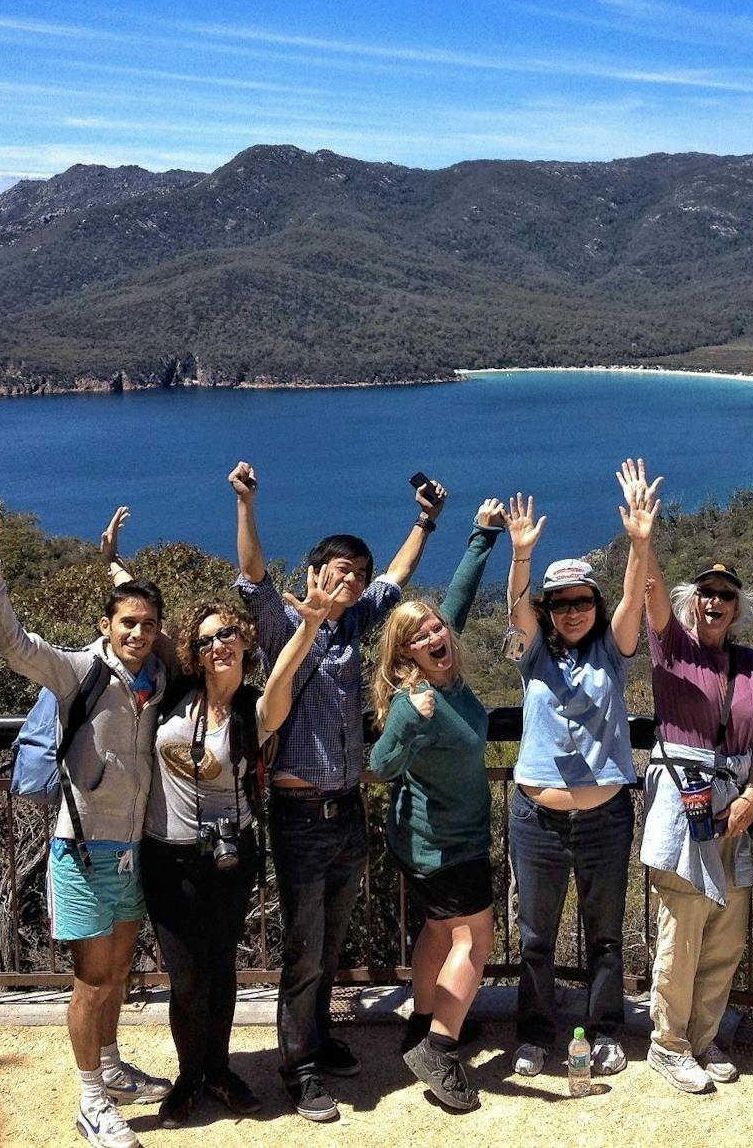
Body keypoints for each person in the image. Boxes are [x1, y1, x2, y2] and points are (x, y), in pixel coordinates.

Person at [0, 507, 172, 1148]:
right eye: (127, 623)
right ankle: (92, 1101)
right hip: (81, 850)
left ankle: (110, 1066)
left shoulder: (154, 681)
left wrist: (116, 564)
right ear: (105, 626)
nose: (138, 632)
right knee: (93, 979)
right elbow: (14, 646)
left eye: (148, 625)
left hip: (131, 850)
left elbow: (159, 622)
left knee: (119, 973)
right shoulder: (79, 671)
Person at [230, 460, 446, 1124]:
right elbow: (253, 577)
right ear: (315, 574)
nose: (350, 579)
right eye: (339, 570)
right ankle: (297, 1068)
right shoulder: (282, 625)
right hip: (297, 815)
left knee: (329, 944)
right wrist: (246, 504)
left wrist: (426, 520)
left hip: (346, 812)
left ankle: (318, 1040)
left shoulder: (354, 625)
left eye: (357, 572)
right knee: (302, 947)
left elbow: (398, 576)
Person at [139, 568, 335, 1128]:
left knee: (221, 969)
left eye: (227, 634)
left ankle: (218, 1071)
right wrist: (113, 563)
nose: (217, 644)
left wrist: (311, 623)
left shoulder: (254, 710)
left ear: (245, 640)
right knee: (185, 976)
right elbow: (141, 626)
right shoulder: (174, 693)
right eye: (205, 640)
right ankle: (188, 1076)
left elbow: (288, 673)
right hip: (166, 855)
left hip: (229, 857)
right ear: (193, 654)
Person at [500, 467, 657, 1080]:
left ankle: (604, 1031)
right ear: (549, 607)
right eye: (561, 603)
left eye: (582, 601)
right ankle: (537, 1036)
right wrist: (520, 556)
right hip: (536, 819)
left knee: (606, 935)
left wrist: (641, 542)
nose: (573, 611)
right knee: (535, 936)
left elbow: (630, 597)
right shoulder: (534, 653)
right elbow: (517, 615)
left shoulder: (612, 655)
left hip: (605, 819)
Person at [635, 459, 753, 1095]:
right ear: (693, 602)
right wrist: (644, 537)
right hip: (683, 792)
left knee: (726, 932)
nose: (715, 602)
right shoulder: (672, 645)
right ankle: (667, 1042)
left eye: (727, 596)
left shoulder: (748, 663)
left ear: (738, 608)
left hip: (735, 800)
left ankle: (701, 1036)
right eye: (707, 594)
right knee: (682, 927)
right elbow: (654, 595)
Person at [367, 498, 506, 1111]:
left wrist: (483, 534)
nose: (434, 634)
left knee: (439, 930)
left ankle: (423, 1022)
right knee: (474, 944)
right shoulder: (414, 700)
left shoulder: (442, 663)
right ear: (406, 658)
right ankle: (440, 1049)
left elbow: (457, 600)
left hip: (432, 840)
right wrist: (406, 726)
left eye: (436, 628)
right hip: (444, 843)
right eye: (419, 637)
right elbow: (378, 767)